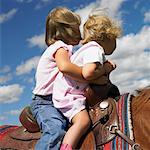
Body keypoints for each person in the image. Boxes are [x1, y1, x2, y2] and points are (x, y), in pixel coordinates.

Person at [53, 14, 122, 149]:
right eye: (115, 39)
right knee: (83, 121)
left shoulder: (89, 49)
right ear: (107, 36)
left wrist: (103, 73)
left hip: (70, 91)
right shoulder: (95, 50)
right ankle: (66, 147)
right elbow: (88, 73)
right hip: (68, 95)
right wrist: (105, 69)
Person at [30, 7, 87, 150]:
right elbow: (65, 67)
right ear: (67, 29)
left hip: (60, 99)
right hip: (45, 103)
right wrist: (87, 74)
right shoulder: (60, 47)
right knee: (55, 130)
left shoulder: (65, 49)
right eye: (76, 28)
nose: (79, 32)